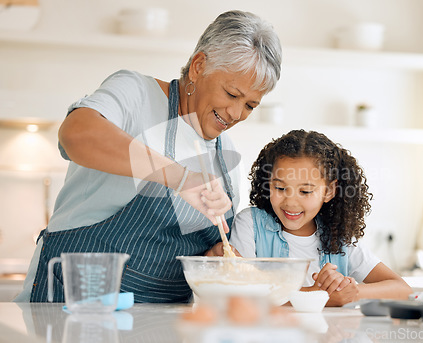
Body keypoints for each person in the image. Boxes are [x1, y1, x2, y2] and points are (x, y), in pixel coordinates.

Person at [15, 10, 282, 303]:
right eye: (232, 94)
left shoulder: (226, 156)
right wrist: (180, 177)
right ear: (198, 66)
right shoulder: (136, 94)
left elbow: (198, 256)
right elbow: (76, 134)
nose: (235, 114)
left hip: (164, 326)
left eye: (250, 106)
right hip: (78, 306)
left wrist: (215, 257)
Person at [229, 130, 413, 306]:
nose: (291, 202)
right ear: (268, 183)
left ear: (329, 191)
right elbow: (242, 294)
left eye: (305, 191)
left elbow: (402, 290)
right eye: (280, 188)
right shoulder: (250, 224)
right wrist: (318, 295)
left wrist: (352, 292)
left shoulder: (338, 236)